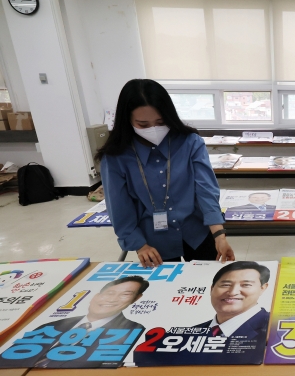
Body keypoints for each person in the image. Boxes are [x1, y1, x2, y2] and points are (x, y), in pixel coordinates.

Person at [97, 79, 234, 268]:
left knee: (206, 286)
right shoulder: (116, 156)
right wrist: (140, 245)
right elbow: (119, 207)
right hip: (152, 243)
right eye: (143, 124)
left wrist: (219, 234)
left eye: (161, 122)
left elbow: (206, 191)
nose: (153, 129)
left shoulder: (190, 143)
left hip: (196, 233)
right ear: (127, 121)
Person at [1, 276, 148, 368]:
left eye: (125, 295)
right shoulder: (51, 325)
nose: (111, 299)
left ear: (135, 299)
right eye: (109, 293)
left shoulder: (133, 330)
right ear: (96, 296)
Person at [193, 261, 270, 339]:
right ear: (212, 289)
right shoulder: (190, 332)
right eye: (226, 285)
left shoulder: (275, 328)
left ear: (262, 288)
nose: (233, 292)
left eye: (246, 285)